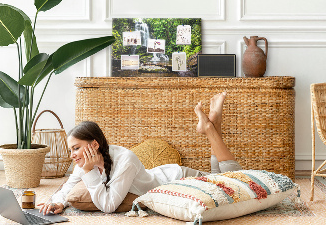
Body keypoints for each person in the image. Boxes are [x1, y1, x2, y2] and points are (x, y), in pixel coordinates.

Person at [38, 92, 241, 214]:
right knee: (220, 179)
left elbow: (108, 206)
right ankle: (213, 125)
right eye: (71, 150)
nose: (72, 155)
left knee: (233, 183)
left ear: (94, 145)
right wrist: (56, 202)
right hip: (166, 176)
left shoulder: (124, 159)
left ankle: (210, 128)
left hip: (179, 179)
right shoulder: (86, 164)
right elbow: (69, 186)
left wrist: (90, 172)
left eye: (76, 148)